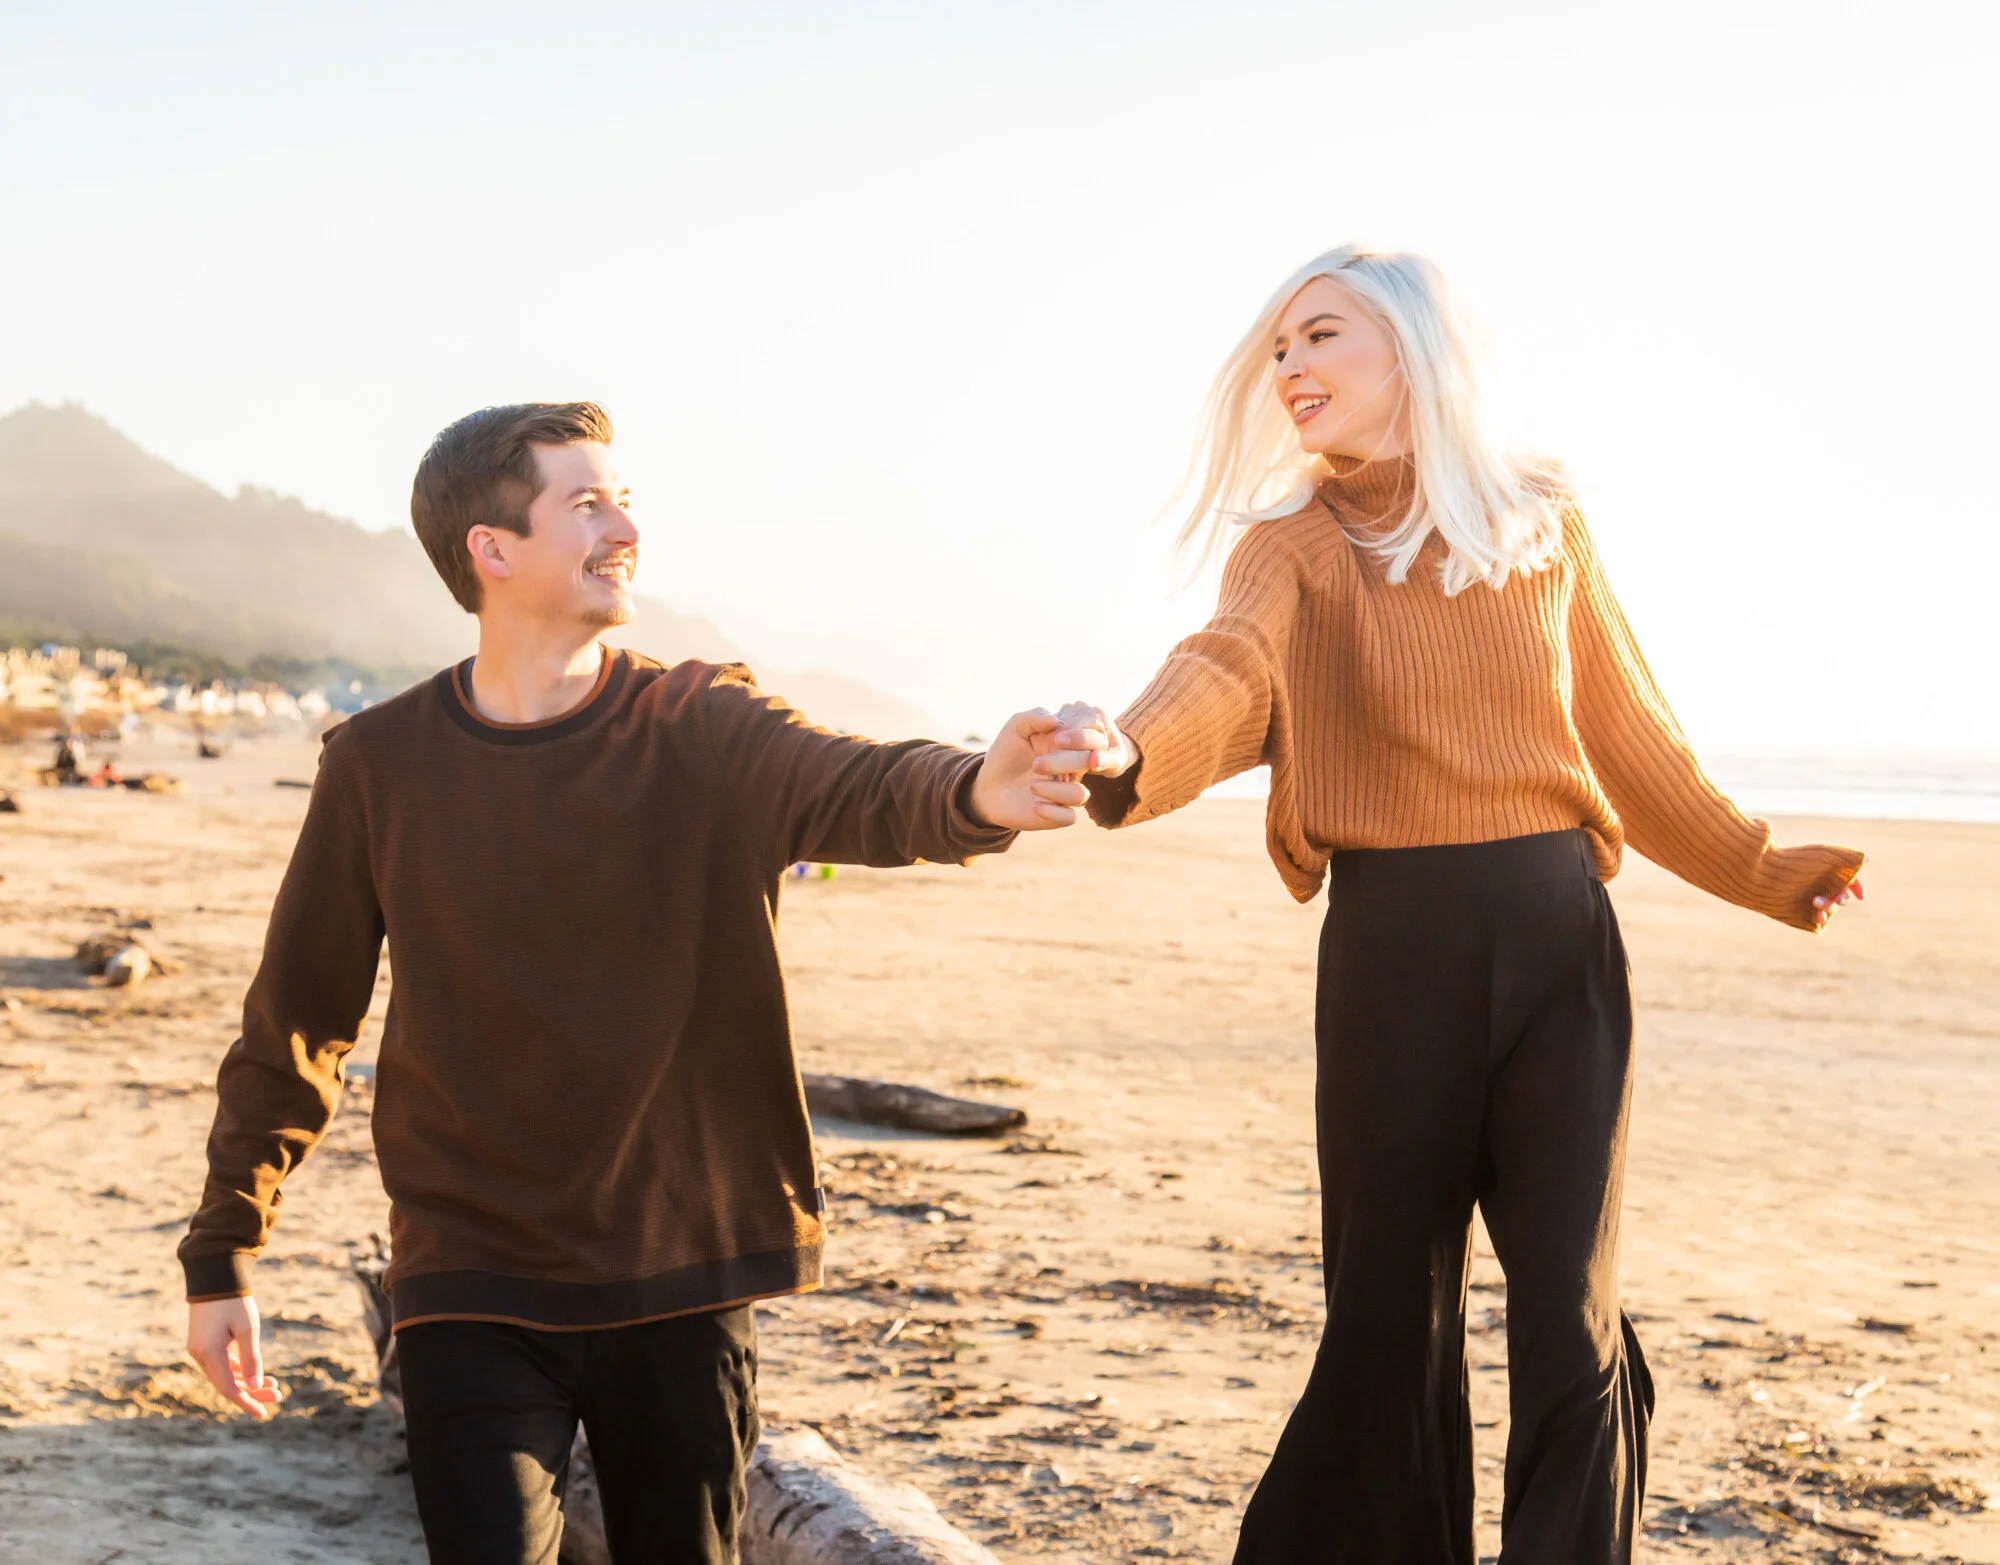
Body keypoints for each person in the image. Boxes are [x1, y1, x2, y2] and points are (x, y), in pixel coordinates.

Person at [1039, 246, 1864, 1565]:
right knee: (1386, 1313)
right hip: (1394, 954)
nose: (1292, 369)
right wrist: (1129, 751)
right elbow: (1231, 668)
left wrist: (1763, 865)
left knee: (1567, 1312)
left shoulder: (1541, 517)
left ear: (1413, 349)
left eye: (1320, 337)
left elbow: (1627, 734)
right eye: (1280, 352)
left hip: (1558, 948)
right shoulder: (1292, 548)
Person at [179, 402, 1098, 1565]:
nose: (625, 526)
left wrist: (977, 789)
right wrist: (223, 1250)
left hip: (681, 1262)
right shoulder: (380, 765)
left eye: (626, 500)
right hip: (469, 1268)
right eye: (586, 502)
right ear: (491, 548)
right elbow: (298, 1016)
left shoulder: (701, 721)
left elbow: (858, 784)